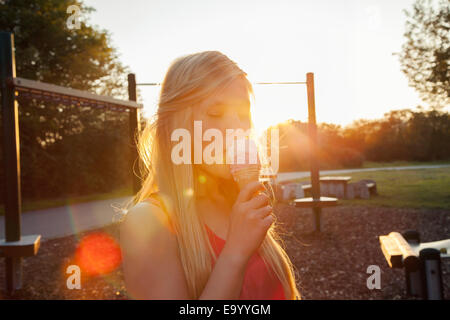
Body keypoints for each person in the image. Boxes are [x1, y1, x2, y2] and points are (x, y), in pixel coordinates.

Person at [119, 51, 300, 300]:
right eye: (216, 114)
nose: (238, 128)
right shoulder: (149, 222)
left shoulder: (236, 203)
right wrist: (235, 252)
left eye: (244, 114)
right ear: (176, 126)